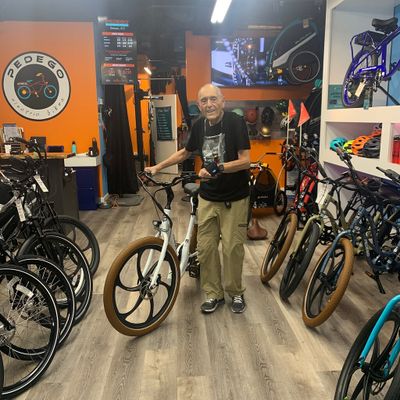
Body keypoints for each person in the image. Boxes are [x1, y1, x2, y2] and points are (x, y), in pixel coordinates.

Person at [145, 83, 250, 313]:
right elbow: (185, 152)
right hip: (208, 197)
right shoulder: (199, 125)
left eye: (213, 99)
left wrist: (217, 168)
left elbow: (245, 161)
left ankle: (235, 292)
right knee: (206, 249)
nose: (209, 104)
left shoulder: (235, 122)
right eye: (204, 101)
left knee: (232, 249)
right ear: (199, 105)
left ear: (222, 101)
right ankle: (214, 294)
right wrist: (157, 167)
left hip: (234, 198)